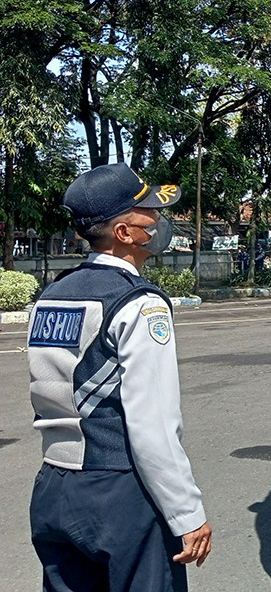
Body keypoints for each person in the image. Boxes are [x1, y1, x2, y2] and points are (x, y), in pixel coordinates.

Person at [28, 163, 212, 591]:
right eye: (149, 211)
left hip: (54, 488)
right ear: (125, 234)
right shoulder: (138, 304)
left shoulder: (51, 296)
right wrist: (188, 514)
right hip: (119, 493)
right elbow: (153, 426)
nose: (159, 220)